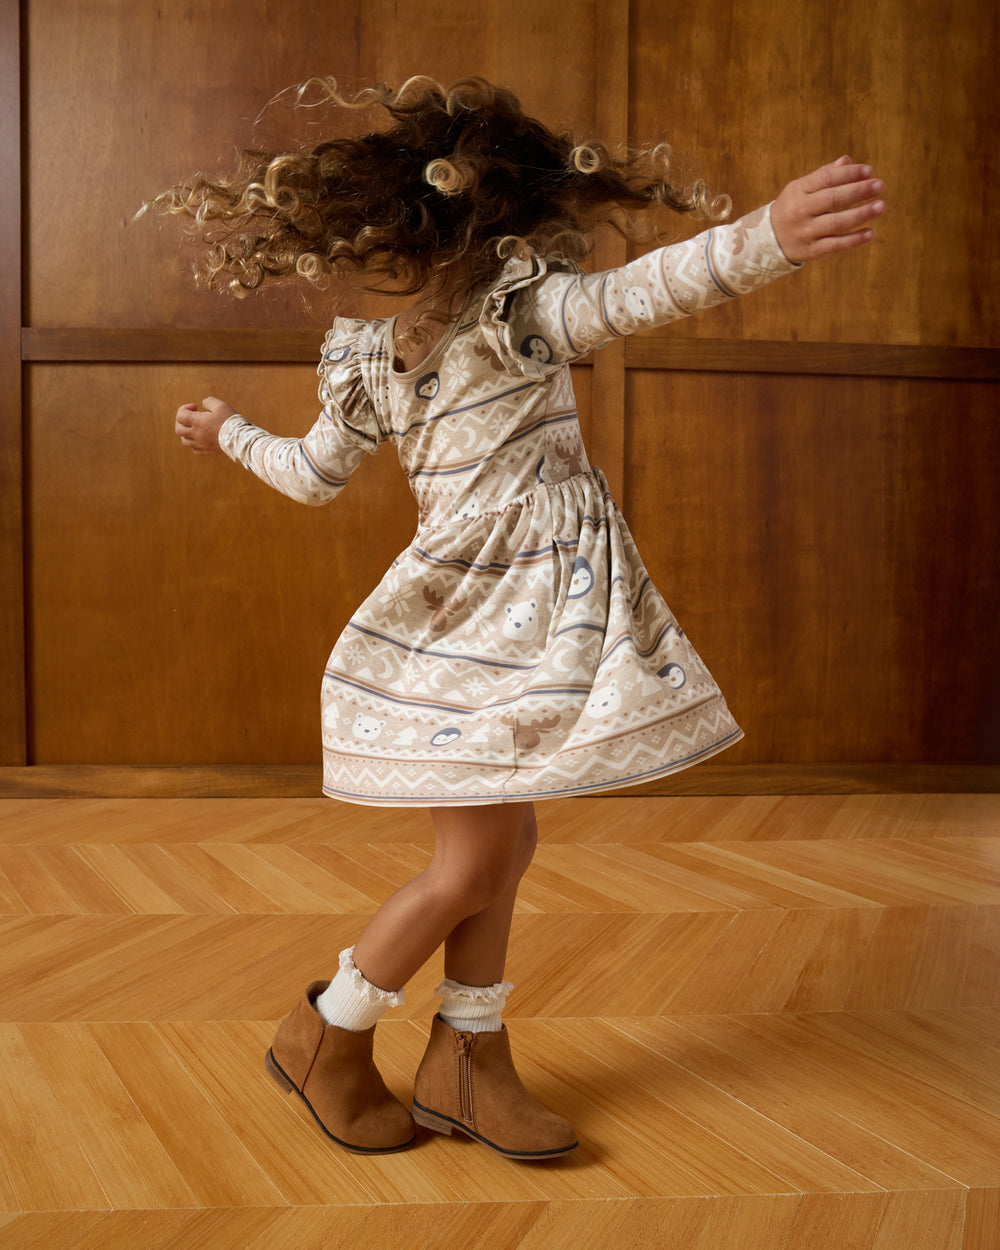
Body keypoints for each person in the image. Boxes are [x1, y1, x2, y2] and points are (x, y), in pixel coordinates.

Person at [159, 76, 885, 1159]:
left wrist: (229, 431)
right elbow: (639, 293)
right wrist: (766, 237)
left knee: (506, 845)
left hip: (502, 623)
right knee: (467, 869)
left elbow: (314, 472)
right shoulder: (488, 327)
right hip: (472, 627)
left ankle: (468, 1055)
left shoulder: (470, 329)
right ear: (503, 222)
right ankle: (325, 1032)